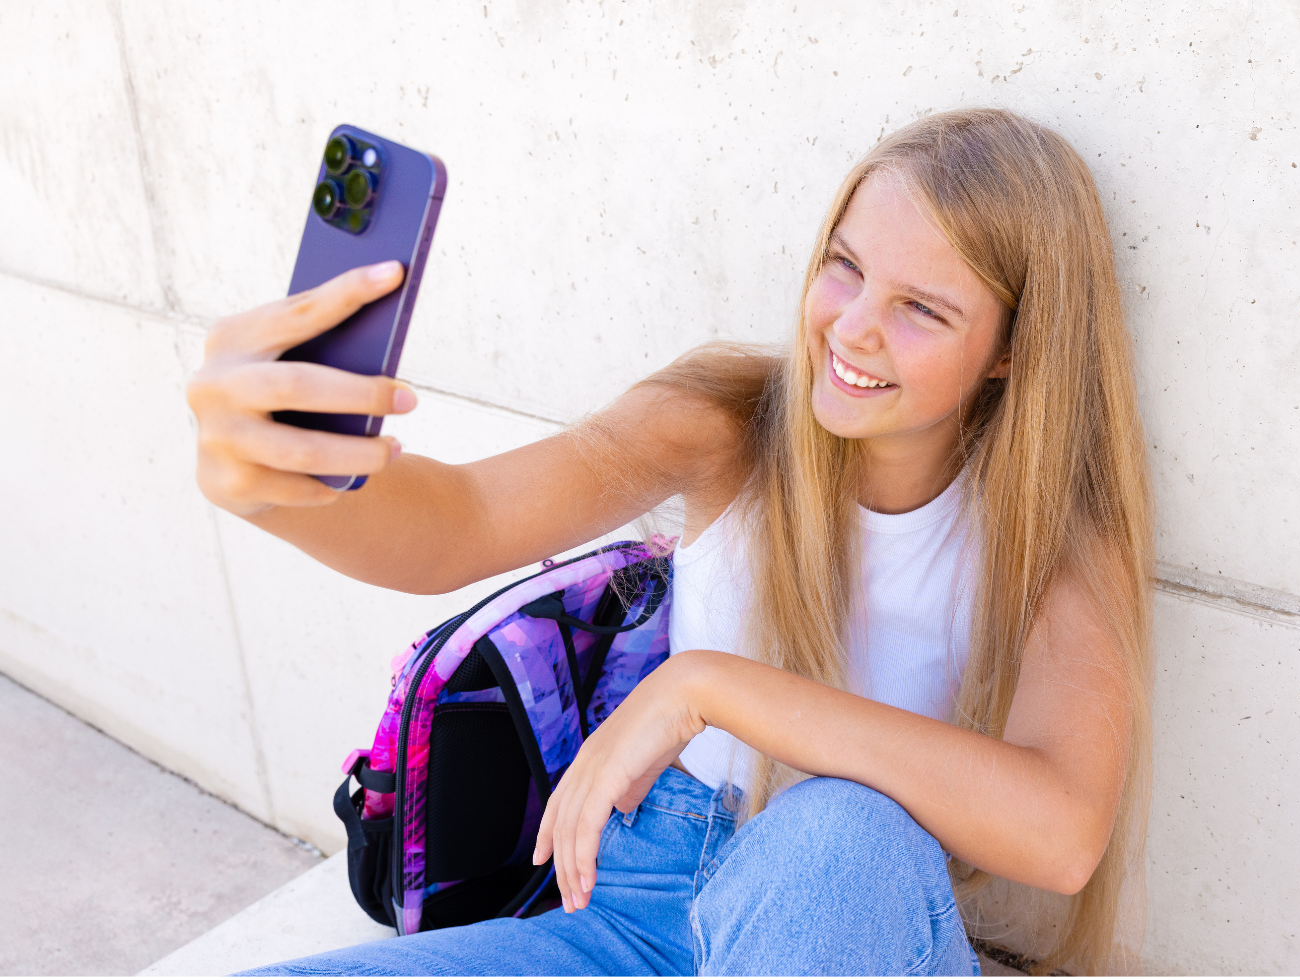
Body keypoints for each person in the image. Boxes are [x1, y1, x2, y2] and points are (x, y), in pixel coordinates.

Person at [190, 108, 1154, 976]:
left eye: (921, 307)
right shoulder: (728, 422)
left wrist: (708, 686)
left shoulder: (1047, 536)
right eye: (845, 267)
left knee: (834, 832)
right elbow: (461, 524)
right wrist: (287, 484)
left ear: (1011, 350)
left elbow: (1061, 833)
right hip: (629, 906)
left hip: (844, 919)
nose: (851, 330)